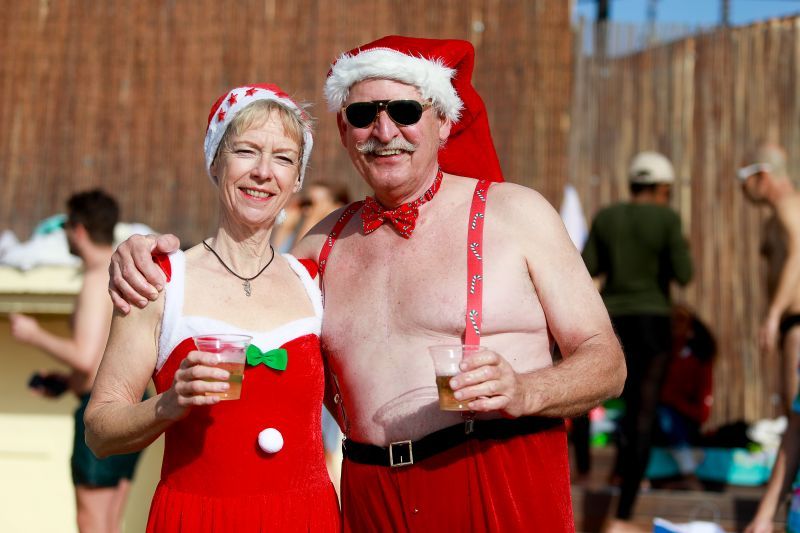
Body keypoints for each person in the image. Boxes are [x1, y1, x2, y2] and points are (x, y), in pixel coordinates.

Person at [107, 36, 626, 531]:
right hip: (366, 495)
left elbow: (606, 362)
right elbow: (237, 277)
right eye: (362, 115)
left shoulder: (517, 215)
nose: (383, 131)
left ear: (443, 122)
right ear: (343, 131)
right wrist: (139, 254)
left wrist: (525, 390)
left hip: (491, 471)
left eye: (404, 111)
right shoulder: (319, 248)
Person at [83, 84, 340, 532]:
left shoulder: (314, 281)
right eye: (246, 151)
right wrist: (167, 404)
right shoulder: (158, 280)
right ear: (215, 162)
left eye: (283, 158)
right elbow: (99, 431)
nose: (264, 172)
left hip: (307, 518)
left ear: (297, 179)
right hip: (199, 519)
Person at [9, 189, 141, 533]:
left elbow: (84, 357)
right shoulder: (120, 274)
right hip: (128, 404)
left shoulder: (96, 278)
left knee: (91, 520)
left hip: (100, 411)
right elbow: (101, 359)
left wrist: (33, 333)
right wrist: (66, 382)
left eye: (66, 225)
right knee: (111, 520)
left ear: (78, 229)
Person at [582, 151, 693, 531]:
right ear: (663, 188)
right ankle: (625, 514)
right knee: (642, 412)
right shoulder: (667, 218)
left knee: (587, 398)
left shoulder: (608, 217)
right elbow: (684, 273)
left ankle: (581, 475)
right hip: (652, 322)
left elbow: (588, 267)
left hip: (610, 318)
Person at [738, 142, 800, 414]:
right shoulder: (775, 218)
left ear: (762, 176)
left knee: (796, 415)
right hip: (791, 323)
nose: (742, 189)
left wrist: (773, 315)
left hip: (796, 323)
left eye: (744, 179)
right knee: (792, 414)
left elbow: (799, 253)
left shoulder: (789, 206)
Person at [655, 304, 715, 490]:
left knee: (666, 417)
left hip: (683, 422)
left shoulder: (698, 361)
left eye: (678, 322)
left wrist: (673, 401)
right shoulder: (663, 355)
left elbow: (702, 413)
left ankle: (689, 475)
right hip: (660, 418)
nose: (672, 327)